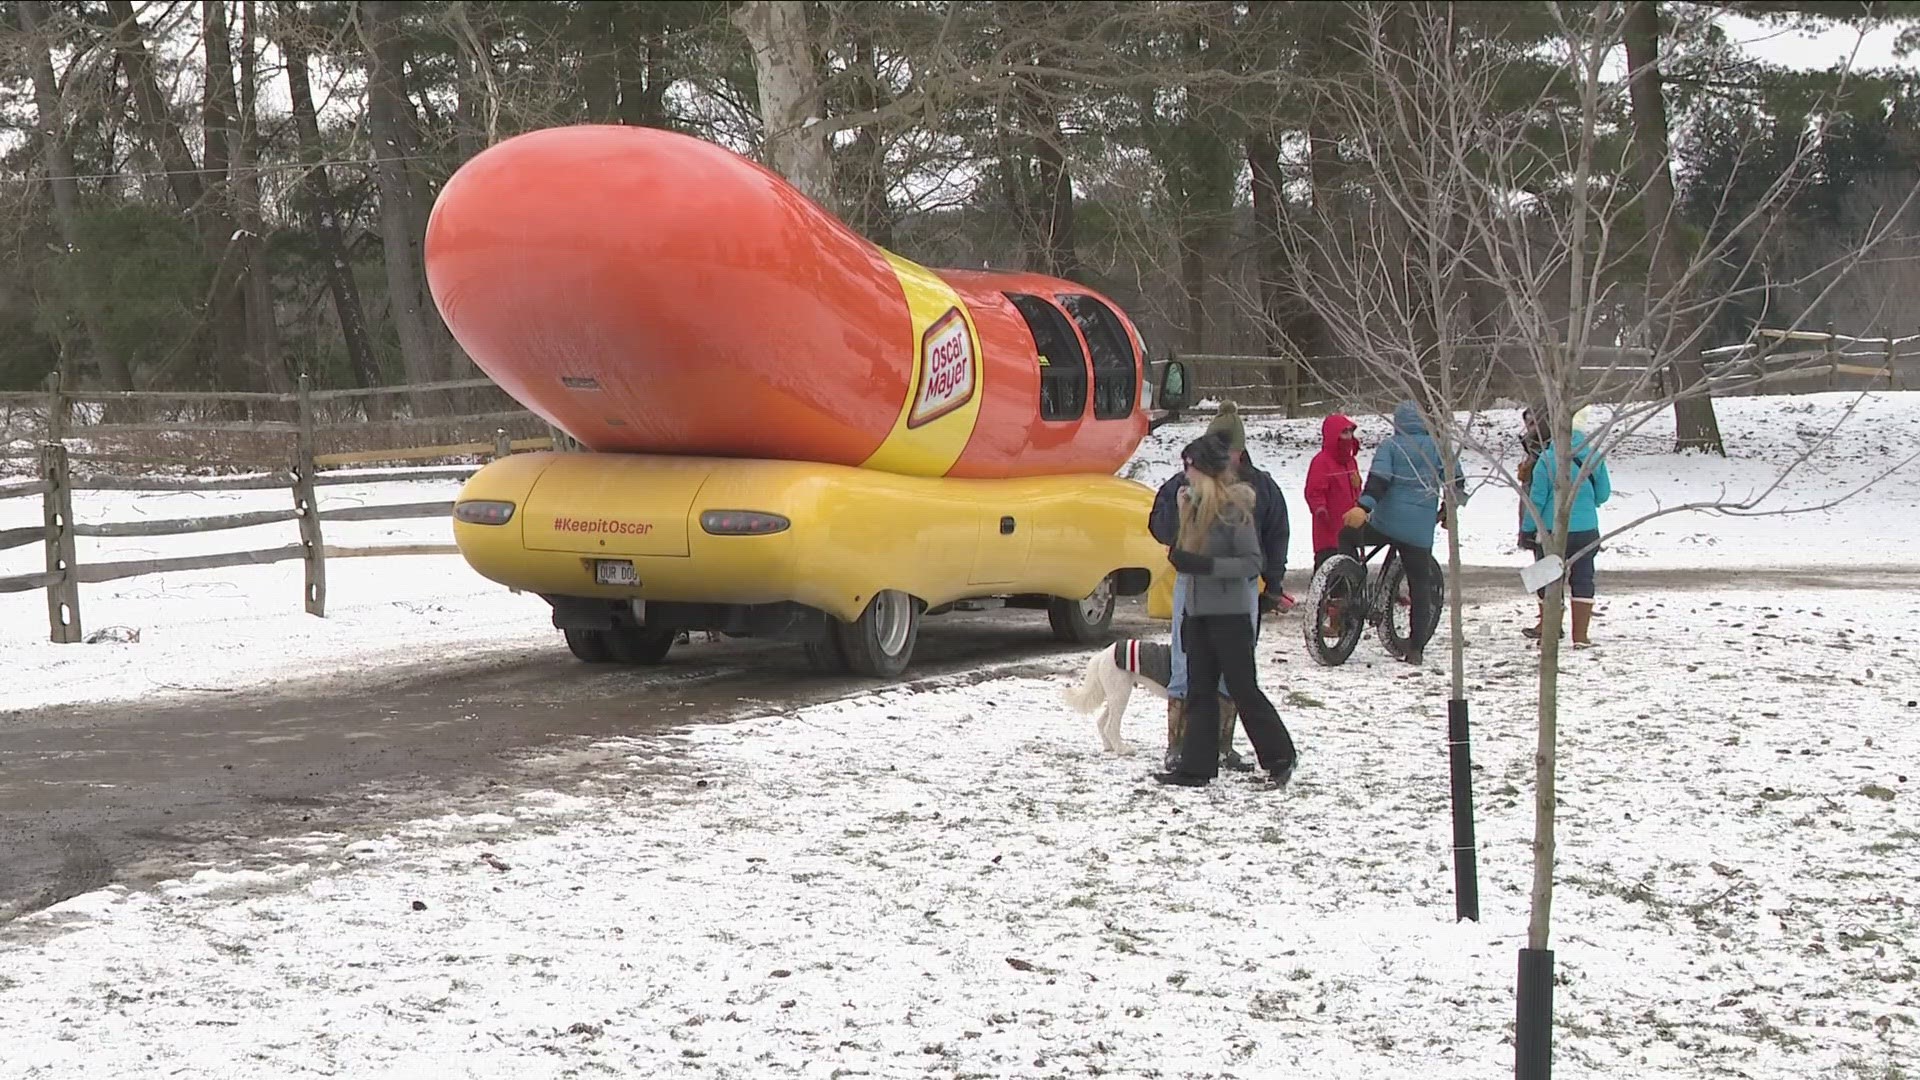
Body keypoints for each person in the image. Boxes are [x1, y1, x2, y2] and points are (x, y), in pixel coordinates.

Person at [1148, 402, 1290, 771]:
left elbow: (1250, 562)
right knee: (1199, 689)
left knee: (1242, 688)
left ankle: (1278, 756)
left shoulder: (1235, 509)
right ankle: (1197, 764)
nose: (1186, 476)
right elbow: (1163, 531)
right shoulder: (1188, 502)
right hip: (1196, 610)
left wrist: (1205, 566)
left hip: (1230, 613)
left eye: (1191, 469)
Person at [1338, 400, 1464, 665]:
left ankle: (1354, 583)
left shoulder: (1391, 446)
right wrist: (1448, 512)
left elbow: (1379, 481)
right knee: (1420, 586)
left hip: (1386, 524)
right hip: (1418, 531)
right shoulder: (1441, 448)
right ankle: (1416, 648)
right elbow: (1456, 484)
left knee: (1347, 536)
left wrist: (1362, 507)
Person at [1526, 407, 1611, 646]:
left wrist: (1528, 529)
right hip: (1587, 530)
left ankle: (1549, 631)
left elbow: (1537, 500)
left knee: (1545, 576)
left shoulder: (1547, 458)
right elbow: (1603, 494)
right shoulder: (1594, 455)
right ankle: (1581, 637)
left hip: (1552, 530)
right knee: (1584, 579)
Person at [1304, 414, 1362, 569]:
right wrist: (1320, 509)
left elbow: (1356, 490)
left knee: (1354, 572)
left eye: (1350, 432)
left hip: (1350, 531)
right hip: (1328, 532)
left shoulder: (1351, 462)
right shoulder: (1321, 462)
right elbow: (1314, 492)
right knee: (1329, 575)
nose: (1348, 436)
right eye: (1344, 432)